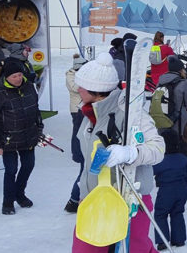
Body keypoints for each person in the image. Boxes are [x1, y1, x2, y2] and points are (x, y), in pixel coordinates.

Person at [71, 52, 164, 251]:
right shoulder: (90, 113)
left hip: (130, 197)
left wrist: (130, 153)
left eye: (81, 85)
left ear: (95, 89)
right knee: (85, 248)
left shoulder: (129, 112)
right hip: (95, 198)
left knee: (134, 248)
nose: (77, 89)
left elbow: (157, 148)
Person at [0, 59, 44, 215]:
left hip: (28, 136)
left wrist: (39, 129)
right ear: (6, 77)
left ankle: (19, 194)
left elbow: (36, 110)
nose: (17, 79)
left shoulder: (29, 87)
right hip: (7, 139)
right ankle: (8, 202)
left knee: (28, 165)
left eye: (19, 75)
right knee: (11, 170)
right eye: (14, 76)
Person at [152, 134, 187, 250]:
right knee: (177, 213)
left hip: (166, 191)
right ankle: (179, 240)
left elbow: (151, 173)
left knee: (160, 214)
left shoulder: (160, 160)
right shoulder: (183, 158)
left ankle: (163, 241)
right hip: (181, 190)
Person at [64, 54, 87, 212]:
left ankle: (75, 199)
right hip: (76, 109)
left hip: (80, 108)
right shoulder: (71, 74)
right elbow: (75, 88)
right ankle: (74, 200)